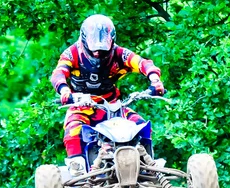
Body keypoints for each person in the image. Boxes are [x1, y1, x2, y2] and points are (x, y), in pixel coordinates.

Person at [50, 14, 165, 177]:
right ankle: (78, 172)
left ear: (111, 42)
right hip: (81, 106)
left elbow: (141, 63)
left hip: (113, 105)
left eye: (102, 50)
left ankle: (147, 169)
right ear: (84, 41)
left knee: (140, 125)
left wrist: (155, 80)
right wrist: (64, 90)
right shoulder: (72, 53)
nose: (97, 54)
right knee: (72, 130)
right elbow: (58, 73)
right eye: (94, 49)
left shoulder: (119, 54)